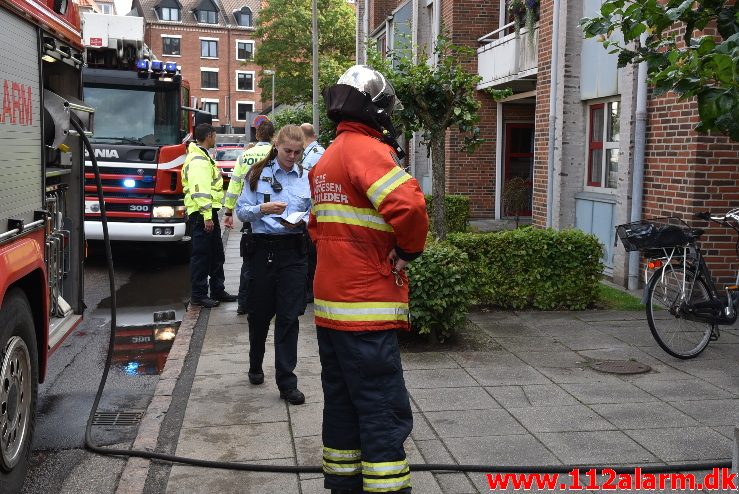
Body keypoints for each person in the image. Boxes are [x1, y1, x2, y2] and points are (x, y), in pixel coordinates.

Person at [308, 66, 428, 494]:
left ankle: (342, 485)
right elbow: (410, 208)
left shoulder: (325, 159)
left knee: (341, 404)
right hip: (366, 308)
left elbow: (317, 226)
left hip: (331, 307)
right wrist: (407, 250)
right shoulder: (367, 151)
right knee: (381, 407)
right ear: (375, 109)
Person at [235, 124, 311, 405]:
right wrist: (262, 209)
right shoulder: (257, 175)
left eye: (297, 151)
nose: (292, 156)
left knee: (289, 317)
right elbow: (241, 211)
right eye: (287, 150)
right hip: (262, 251)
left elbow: (313, 212)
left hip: (293, 252)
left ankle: (287, 382)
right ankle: (256, 364)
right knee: (259, 315)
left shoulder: (306, 177)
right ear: (276, 146)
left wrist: (307, 220)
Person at [223, 118, 276, 314]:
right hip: (276, 215)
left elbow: (235, 184)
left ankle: (243, 304)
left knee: (249, 262)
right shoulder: (278, 154)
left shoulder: (246, 156)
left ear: (257, 134)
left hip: (251, 216)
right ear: (273, 135)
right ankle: (271, 303)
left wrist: (228, 211)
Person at [182, 123, 238, 308]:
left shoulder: (203, 157)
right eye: (214, 135)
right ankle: (199, 295)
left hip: (207, 212)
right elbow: (200, 191)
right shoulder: (198, 160)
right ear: (209, 136)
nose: (216, 138)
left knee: (215, 254)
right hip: (201, 214)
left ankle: (217, 290)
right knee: (202, 256)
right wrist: (207, 216)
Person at [299, 123, 325, 303]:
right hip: (310, 212)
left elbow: (309, 187)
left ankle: (311, 291)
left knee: (312, 255)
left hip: (312, 212)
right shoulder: (313, 152)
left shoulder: (315, 155)